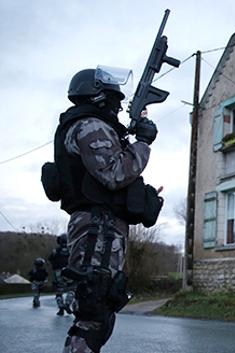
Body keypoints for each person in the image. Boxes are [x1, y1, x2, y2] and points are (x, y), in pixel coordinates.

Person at [42, 66, 162, 353]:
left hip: (102, 226)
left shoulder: (91, 125)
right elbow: (115, 173)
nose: (118, 105)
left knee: (98, 312)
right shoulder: (90, 126)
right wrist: (143, 143)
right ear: (96, 96)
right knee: (94, 314)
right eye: (113, 98)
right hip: (99, 228)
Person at [49, 233, 74, 316]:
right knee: (71, 289)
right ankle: (67, 304)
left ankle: (60, 308)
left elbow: (51, 260)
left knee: (59, 291)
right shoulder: (71, 250)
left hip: (58, 272)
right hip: (69, 271)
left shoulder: (55, 251)